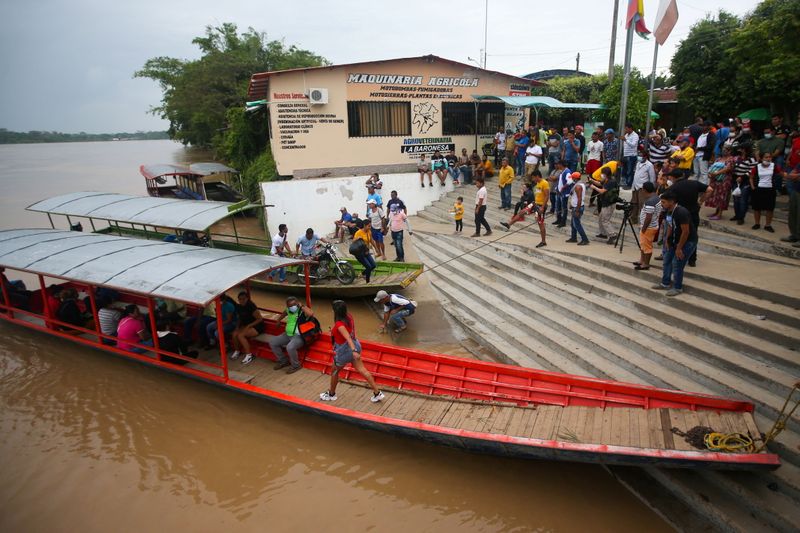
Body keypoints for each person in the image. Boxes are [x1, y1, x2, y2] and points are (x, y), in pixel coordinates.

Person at [319, 300, 384, 403]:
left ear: (334, 311)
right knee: (363, 370)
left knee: (334, 371)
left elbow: (348, 338)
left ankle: (331, 394)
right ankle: (377, 393)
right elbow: (349, 334)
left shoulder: (339, 325)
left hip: (346, 350)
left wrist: (353, 351)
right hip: (356, 345)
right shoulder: (349, 316)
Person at [652, 190, 697, 297]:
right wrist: (667, 240)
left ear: (671, 201)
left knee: (677, 263)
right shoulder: (669, 211)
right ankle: (665, 283)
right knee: (667, 260)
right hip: (674, 240)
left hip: (688, 241)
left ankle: (677, 287)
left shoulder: (681, 212)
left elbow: (686, 232)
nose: (661, 204)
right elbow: (670, 226)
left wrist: (679, 248)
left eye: (663, 202)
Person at [665, 169, 709, 267]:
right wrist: (700, 201)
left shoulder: (673, 187)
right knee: (692, 235)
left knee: (678, 235)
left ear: (673, 177)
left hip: (679, 215)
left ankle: (678, 255)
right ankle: (692, 259)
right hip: (693, 214)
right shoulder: (694, 183)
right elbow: (710, 190)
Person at [267, 296, 314, 374]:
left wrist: (301, 306)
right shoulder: (288, 310)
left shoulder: (302, 311)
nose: (292, 307)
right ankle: (283, 361)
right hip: (287, 335)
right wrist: (279, 320)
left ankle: (296, 365)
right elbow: (284, 313)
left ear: (297, 303)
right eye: (290, 306)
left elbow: (311, 313)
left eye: (294, 305)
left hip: (299, 336)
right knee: (272, 342)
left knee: (290, 347)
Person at [230, 291, 266, 365]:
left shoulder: (251, 306)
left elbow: (259, 319)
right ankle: (237, 351)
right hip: (247, 325)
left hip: (257, 326)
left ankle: (249, 355)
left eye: (244, 299)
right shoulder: (239, 307)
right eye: (240, 299)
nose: (242, 301)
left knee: (241, 335)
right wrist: (237, 327)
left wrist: (249, 326)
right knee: (234, 334)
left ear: (247, 299)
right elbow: (240, 318)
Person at [749, 152, 781, 232]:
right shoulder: (757, 167)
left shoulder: (774, 166)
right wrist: (753, 187)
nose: (768, 159)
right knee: (757, 208)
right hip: (759, 189)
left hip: (770, 190)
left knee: (770, 208)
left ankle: (768, 225)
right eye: (766, 157)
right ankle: (757, 223)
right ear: (761, 158)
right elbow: (751, 177)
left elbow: (781, 174)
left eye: (770, 157)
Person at [634, 182, 661, 270]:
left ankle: (646, 264)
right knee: (643, 244)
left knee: (647, 246)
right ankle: (642, 261)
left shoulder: (650, 201)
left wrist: (644, 228)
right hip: (650, 226)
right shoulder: (656, 198)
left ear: (645, 190)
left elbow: (648, 217)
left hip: (649, 227)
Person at [588, 166, 619, 241]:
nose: (601, 175)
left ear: (606, 174)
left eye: (602, 173)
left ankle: (612, 234)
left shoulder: (611, 181)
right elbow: (599, 184)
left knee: (605, 220)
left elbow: (602, 191)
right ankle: (603, 233)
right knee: (601, 218)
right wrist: (591, 180)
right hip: (605, 202)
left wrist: (593, 187)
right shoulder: (606, 180)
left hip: (609, 203)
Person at [704, 146, 734, 220]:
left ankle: (719, 214)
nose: (723, 151)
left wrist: (717, 173)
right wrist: (710, 173)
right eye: (723, 149)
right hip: (715, 179)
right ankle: (716, 212)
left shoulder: (731, 159)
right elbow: (712, 167)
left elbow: (728, 168)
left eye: (725, 150)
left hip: (724, 180)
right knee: (716, 195)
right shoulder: (719, 159)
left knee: (722, 196)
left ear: (730, 151)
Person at [732, 146, 758, 224]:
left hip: (745, 181)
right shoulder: (737, 158)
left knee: (743, 200)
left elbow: (752, 170)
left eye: (741, 148)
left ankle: (741, 217)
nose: (739, 150)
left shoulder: (751, 159)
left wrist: (742, 177)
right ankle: (737, 215)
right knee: (736, 199)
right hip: (735, 180)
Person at [758, 126, 786, 194]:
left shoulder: (780, 141)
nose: (766, 134)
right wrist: (759, 158)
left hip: (775, 157)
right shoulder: (761, 141)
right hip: (763, 158)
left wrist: (767, 159)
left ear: (773, 132)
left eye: (768, 132)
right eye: (765, 133)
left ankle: (777, 188)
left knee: (779, 163)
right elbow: (757, 151)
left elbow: (777, 152)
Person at [631, 150, 656, 222]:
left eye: (641, 156)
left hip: (643, 188)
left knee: (642, 204)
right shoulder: (638, 163)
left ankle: (643, 220)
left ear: (645, 157)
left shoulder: (649, 165)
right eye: (638, 155)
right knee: (634, 203)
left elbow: (652, 178)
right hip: (635, 186)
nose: (639, 157)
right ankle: (633, 218)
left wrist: (651, 189)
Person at [565, 172, 589, 245]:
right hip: (575, 206)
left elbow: (579, 199)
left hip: (577, 208)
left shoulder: (578, 186)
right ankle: (573, 237)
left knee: (577, 224)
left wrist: (577, 210)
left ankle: (585, 239)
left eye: (572, 178)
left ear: (575, 178)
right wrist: (572, 205)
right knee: (573, 224)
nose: (571, 179)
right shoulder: (580, 184)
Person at [552, 160, 573, 227]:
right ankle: (559, 219)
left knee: (564, 208)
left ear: (561, 165)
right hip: (559, 192)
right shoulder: (562, 171)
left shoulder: (567, 172)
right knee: (558, 206)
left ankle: (563, 222)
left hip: (564, 193)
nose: (557, 166)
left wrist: (563, 187)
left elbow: (570, 181)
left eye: (558, 164)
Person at [620, 122, 639, 189]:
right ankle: (625, 183)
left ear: (630, 128)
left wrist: (625, 140)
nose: (625, 130)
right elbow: (624, 146)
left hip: (631, 156)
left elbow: (633, 145)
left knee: (630, 171)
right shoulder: (626, 135)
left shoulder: (635, 135)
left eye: (626, 129)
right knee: (624, 170)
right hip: (625, 155)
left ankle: (629, 184)